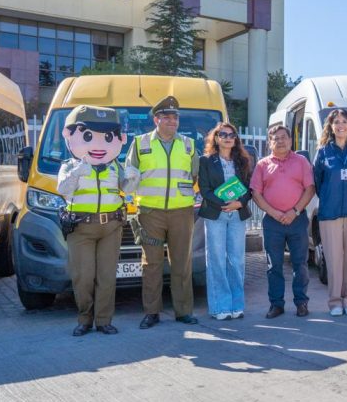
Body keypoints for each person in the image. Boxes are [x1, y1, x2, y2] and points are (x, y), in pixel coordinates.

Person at [57, 105, 138, 335]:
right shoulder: (70, 165)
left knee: (107, 276)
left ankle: (104, 320)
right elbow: (63, 189)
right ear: (69, 135)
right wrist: (78, 171)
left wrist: (133, 178)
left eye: (108, 136)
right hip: (81, 228)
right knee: (83, 277)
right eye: (88, 136)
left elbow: (126, 189)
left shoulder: (115, 166)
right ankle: (84, 319)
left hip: (111, 227)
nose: (99, 144)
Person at [127, 96, 200, 329]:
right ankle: (151, 312)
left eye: (175, 117)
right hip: (150, 212)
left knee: (182, 263)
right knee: (151, 264)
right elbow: (129, 178)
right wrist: (130, 206)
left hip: (182, 212)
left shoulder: (188, 145)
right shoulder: (140, 143)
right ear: (156, 119)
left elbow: (196, 177)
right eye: (167, 117)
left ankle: (183, 311)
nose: (172, 121)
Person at [251, 125, 316, 318]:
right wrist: (274, 213)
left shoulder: (301, 161)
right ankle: (276, 305)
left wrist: (294, 212)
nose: (280, 141)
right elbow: (256, 193)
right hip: (272, 222)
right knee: (274, 265)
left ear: (290, 140)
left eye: (283, 137)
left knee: (300, 264)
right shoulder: (262, 165)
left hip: (297, 219)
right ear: (269, 143)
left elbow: (310, 189)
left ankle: (301, 303)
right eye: (275, 138)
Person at [312, 109, 347, 317]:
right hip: (330, 213)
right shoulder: (323, 152)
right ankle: (335, 302)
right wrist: (329, 198)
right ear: (331, 127)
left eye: (344, 121)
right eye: (336, 122)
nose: (341, 126)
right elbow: (317, 181)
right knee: (333, 259)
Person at [198, 122, 254, 320]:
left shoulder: (243, 161)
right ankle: (220, 307)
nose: (228, 137)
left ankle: (237, 305)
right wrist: (224, 204)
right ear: (216, 138)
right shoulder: (205, 161)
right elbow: (204, 190)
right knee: (216, 261)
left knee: (237, 260)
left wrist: (239, 203)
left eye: (232, 134)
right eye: (223, 134)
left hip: (238, 214)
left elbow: (250, 187)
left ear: (236, 139)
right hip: (216, 215)